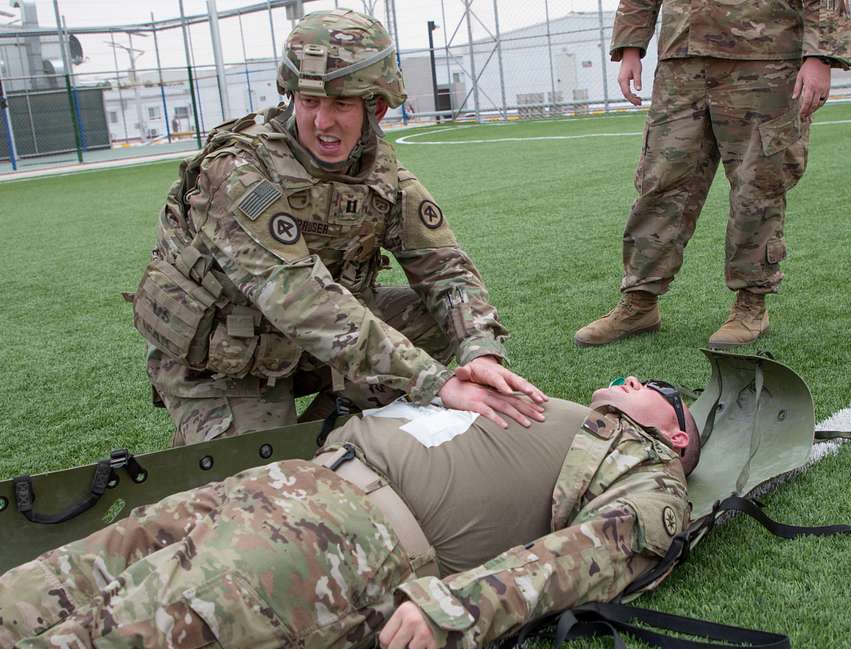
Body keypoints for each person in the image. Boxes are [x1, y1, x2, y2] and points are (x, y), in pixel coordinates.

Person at [0, 376, 700, 649]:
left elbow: (584, 555)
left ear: (675, 432)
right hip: (295, 482)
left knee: (101, 646)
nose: (636, 377)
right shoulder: (567, 415)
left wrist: (453, 609)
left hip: (338, 546)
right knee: (53, 580)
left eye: (658, 390)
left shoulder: (651, 472)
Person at [132, 9, 545, 446]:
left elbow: (446, 270)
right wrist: (435, 381)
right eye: (309, 101)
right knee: (259, 484)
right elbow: (298, 298)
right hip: (225, 355)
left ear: (377, 108)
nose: (321, 122)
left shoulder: (383, 176)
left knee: (437, 320)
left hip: (310, 343)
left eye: (341, 104)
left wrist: (480, 351)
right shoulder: (237, 171)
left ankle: (336, 424)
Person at [574, 0, 851, 349]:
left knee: (757, 185)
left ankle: (752, 304)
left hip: (765, 60)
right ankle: (639, 302)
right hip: (682, 62)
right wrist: (631, 47)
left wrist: (820, 56)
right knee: (660, 182)